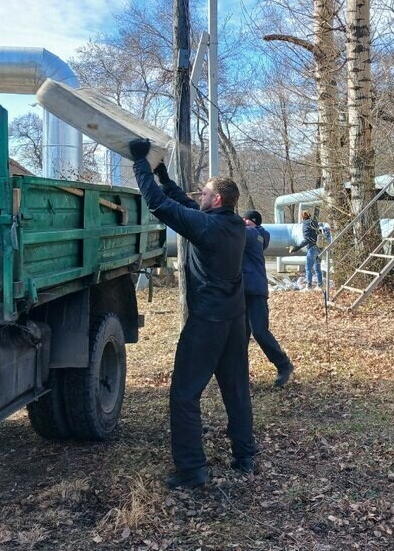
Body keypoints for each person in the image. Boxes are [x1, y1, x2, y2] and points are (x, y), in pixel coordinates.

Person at [129, 139, 257, 489]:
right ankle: (245, 457)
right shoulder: (231, 225)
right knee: (236, 389)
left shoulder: (208, 227)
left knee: (184, 395)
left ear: (216, 199)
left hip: (208, 323)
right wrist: (163, 175)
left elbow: (159, 206)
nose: (200, 195)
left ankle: (192, 471)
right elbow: (183, 203)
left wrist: (140, 163)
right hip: (235, 320)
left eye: (205, 193)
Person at [242, 210, 295, 387]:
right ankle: (239, 376)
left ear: (254, 223)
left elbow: (242, 231)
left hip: (255, 291)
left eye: (246, 220)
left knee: (259, 331)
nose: (244, 222)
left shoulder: (255, 235)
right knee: (239, 336)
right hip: (241, 292)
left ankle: (284, 365)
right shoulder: (251, 235)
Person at [289, 210, 323, 290]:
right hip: (319, 248)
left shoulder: (306, 225)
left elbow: (307, 240)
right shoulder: (314, 223)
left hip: (312, 248)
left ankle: (309, 286)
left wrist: (296, 248)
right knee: (317, 268)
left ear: (302, 217)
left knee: (308, 268)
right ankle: (320, 285)